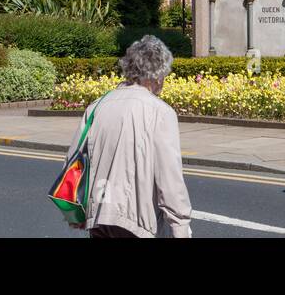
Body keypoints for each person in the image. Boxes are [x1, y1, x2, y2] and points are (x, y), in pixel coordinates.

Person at [67, 35, 192, 238]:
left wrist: (77, 213)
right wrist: (180, 228)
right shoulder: (160, 111)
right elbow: (169, 178)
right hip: (136, 222)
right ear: (157, 75)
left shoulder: (97, 106)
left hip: (99, 219)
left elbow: (74, 160)